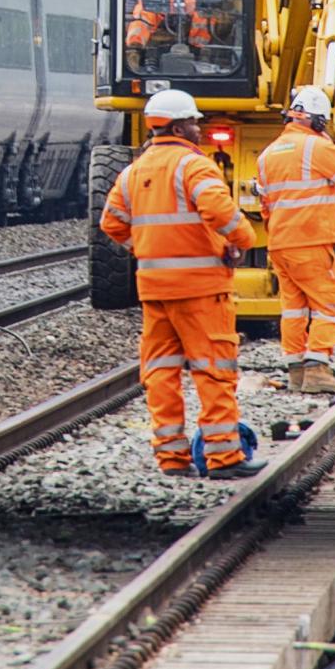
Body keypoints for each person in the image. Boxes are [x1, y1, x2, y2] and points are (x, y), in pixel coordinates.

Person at [99, 89, 262, 480]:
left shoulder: (133, 171)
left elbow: (111, 222)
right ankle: (224, 458)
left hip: (155, 291)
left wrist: (145, 246)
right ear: (176, 126)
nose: (199, 127)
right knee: (214, 369)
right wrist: (241, 241)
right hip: (201, 290)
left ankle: (172, 459)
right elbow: (220, 212)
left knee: (161, 373)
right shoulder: (194, 166)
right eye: (193, 122)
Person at [255, 85, 335, 395]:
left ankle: (296, 371)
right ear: (317, 121)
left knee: (294, 308)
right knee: (330, 300)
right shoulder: (316, 147)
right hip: (309, 239)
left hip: (280, 243)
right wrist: (328, 141)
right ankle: (317, 368)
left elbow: (264, 203)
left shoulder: (267, 154)